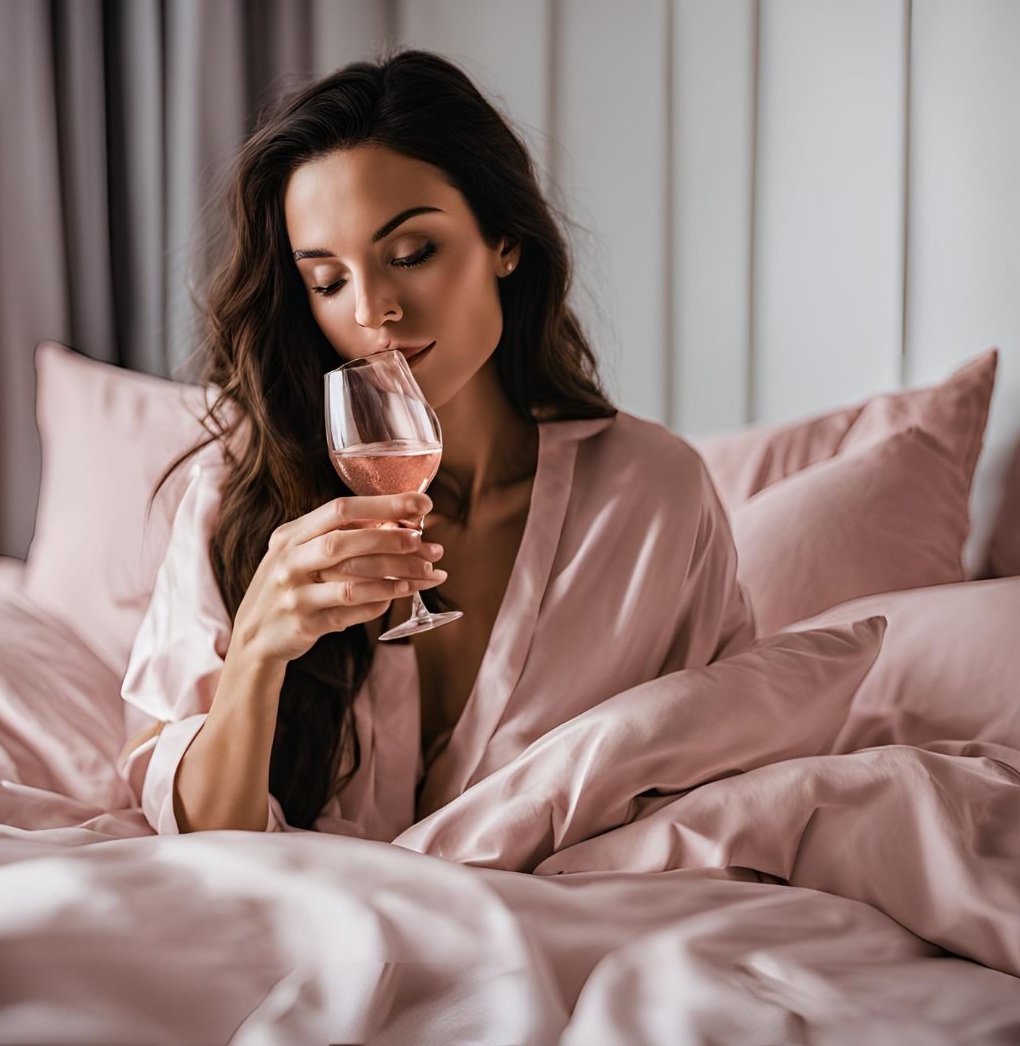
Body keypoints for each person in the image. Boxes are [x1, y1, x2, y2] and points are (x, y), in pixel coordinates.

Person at [118, 48, 756, 838]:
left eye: (411, 254)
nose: (372, 311)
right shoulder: (239, 497)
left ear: (505, 240)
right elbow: (203, 841)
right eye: (328, 280)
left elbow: (719, 783)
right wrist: (256, 655)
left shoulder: (654, 497)